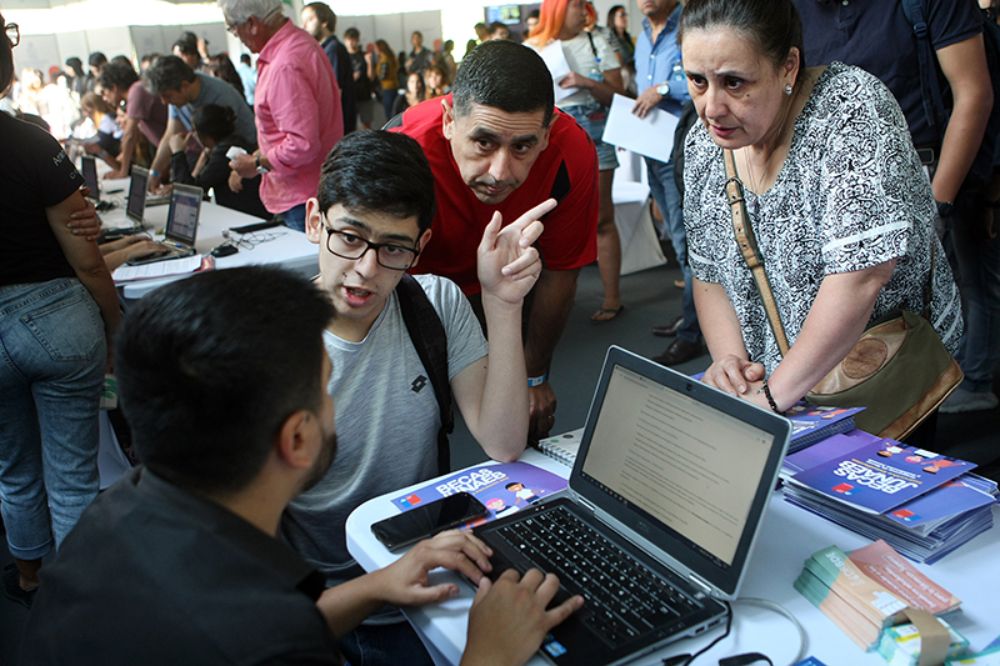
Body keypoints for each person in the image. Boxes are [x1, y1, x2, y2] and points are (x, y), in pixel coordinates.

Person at [20, 265, 581, 665]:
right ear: (297, 437)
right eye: (325, 389)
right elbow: (263, 636)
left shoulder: (119, 510)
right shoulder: (268, 641)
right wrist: (487, 655)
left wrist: (376, 586)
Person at [283, 128, 556, 666]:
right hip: (332, 602)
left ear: (421, 246)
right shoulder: (271, 337)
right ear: (315, 220)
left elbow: (502, 443)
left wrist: (502, 305)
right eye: (349, 237)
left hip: (439, 572)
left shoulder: (433, 302)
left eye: (393, 248)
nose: (366, 268)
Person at [678, 0, 963, 443]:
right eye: (697, 81)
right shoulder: (702, 145)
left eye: (734, 82)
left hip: (874, 378)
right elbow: (709, 272)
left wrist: (772, 399)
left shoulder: (849, 109)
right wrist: (735, 368)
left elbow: (861, 276)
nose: (711, 107)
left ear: (788, 66)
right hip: (777, 389)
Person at [792, 0, 996, 415]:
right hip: (834, 184)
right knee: (862, 303)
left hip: (928, 169)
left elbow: (972, 92)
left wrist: (937, 200)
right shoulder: (796, 10)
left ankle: (972, 382)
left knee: (966, 283)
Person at [389, 40, 598, 441]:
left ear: (546, 134)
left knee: (518, 424)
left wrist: (535, 374)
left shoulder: (572, 151)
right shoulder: (405, 147)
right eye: (483, 143)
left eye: (522, 146)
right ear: (450, 120)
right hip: (417, 286)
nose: (500, 172)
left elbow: (562, 270)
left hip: (511, 283)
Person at [0, 11, 120, 608]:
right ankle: (83, 601)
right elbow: (87, 257)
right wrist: (114, 320)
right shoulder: (31, 143)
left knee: (13, 468)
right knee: (74, 473)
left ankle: (29, 580)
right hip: (56, 320)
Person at [528, 0, 626, 323]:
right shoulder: (535, 48)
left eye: (585, 4)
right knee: (543, 221)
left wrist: (585, 82)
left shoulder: (598, 41)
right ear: (556, 8)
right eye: (575, 4)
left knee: (602, 218)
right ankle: (547, 302)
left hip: (596, 129)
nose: (583, 9)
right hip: (550, 135)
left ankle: (612, 298)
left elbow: (618, 95)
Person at [221, 0, 343, 232]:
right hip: (313, 190)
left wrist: (256, 163)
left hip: (302, 196)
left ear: (252, 23)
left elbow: (302, 144)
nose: (235, 34)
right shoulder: (301, 43)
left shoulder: (285, 64)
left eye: (233, 27)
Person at [631, 0, 703, 365]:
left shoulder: (690, 23)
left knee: (689, 242)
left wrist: (662, 89)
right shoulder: (642, 35)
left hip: (681, 148)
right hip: (650, 147)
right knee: (678, 239)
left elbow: (701, 78)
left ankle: (694, 333)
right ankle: (693, 315)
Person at [144, 55, 257, 192]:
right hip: (218, 159)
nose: (164, 102)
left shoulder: (220, 97)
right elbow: (170, 135)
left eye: (167, 96)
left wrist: (181, 162)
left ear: (184, 86)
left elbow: (219, 153)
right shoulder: (177, 95)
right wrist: (154, 173)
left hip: (242, 162)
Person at [170, 103, 269, 219]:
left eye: (194, 131)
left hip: (247, 218)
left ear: (204, 135)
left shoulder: (224, 154)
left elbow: (190, 194)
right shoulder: (235, 142)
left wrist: (177, 153)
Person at [97, 61, 167, 178]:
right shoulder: (138, 89)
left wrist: (122, 172)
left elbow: (129, 135)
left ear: (114, 88)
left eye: (105, 92)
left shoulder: (137, 90)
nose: (104, 98)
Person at [301, 2, 356, 135]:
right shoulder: (325, 49)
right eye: (303, 21)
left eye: (310, 19)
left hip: (338, 126)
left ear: (324, 21)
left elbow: (334, 91)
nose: (304, 26)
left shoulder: (333, 49)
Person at [344, 27, 376, 129]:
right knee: (350, 125)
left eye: (353, 39)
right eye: (348, 40)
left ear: (357, 40)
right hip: (349, 96)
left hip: (364, 95)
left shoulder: (364, 55)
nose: (350, 42)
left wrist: (369, 63)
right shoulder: (343, 56)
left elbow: (371, 77)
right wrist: (351, 78)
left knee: (366, 124)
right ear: (345, 40)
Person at [372, 39, 399, 121]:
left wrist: (374, 73)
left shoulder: (384, 59)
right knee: (393, 112)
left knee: (389, 114)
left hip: (387, 88)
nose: (374, 50)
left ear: (380, 48)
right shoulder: (391, 56)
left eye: (375, 48)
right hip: (393, 86)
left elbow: (383, 76)